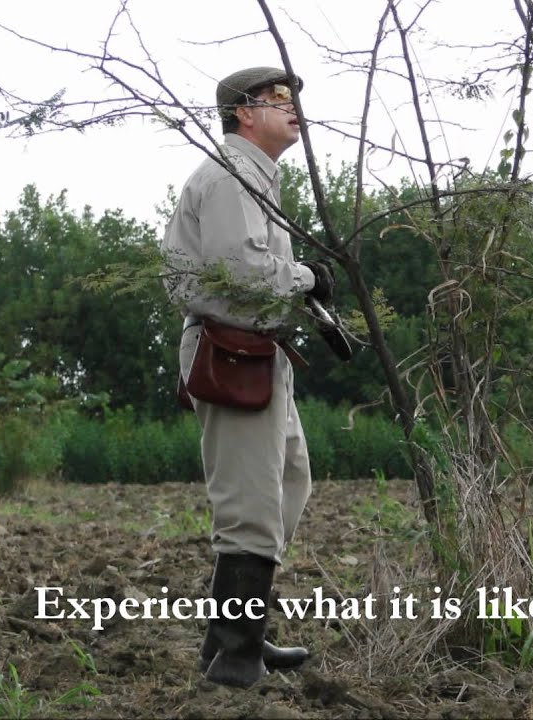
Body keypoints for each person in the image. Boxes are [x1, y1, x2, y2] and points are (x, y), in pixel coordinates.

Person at [159, 66, 335, 689]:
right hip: (231, 353)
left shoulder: (255, 178)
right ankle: (236, 656)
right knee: (250, 503)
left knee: (288, 480)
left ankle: (231, 636)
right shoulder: (232, 177)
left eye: (295, 98)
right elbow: (245, 277)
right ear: (242, 112)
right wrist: (308, 277)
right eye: (278, 98)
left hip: (257, 352)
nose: (294, 107)